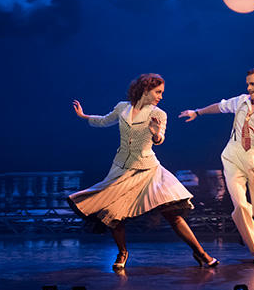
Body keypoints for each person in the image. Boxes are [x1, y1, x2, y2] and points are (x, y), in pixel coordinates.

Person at [68, 73, 218, 269]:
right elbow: (105, 120)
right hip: (121, 168)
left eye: (162, 92)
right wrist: (83, 116)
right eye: (158, 92)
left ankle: (201, 253)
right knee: (113, 213)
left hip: (148, 170)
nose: (161, 96)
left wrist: (156, 134)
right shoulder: (123, 107)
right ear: (145, 90)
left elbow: (160, 138)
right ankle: (122, 253)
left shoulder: (159, 114)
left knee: (172, 214)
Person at [179, 68, 254, 264]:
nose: (249, 87)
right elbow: (219, 106)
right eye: (248, 84)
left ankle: (250, 236)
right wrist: (197, 113)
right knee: (241, 205)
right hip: (232, 156)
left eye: (253, 84)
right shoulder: (241, 101)